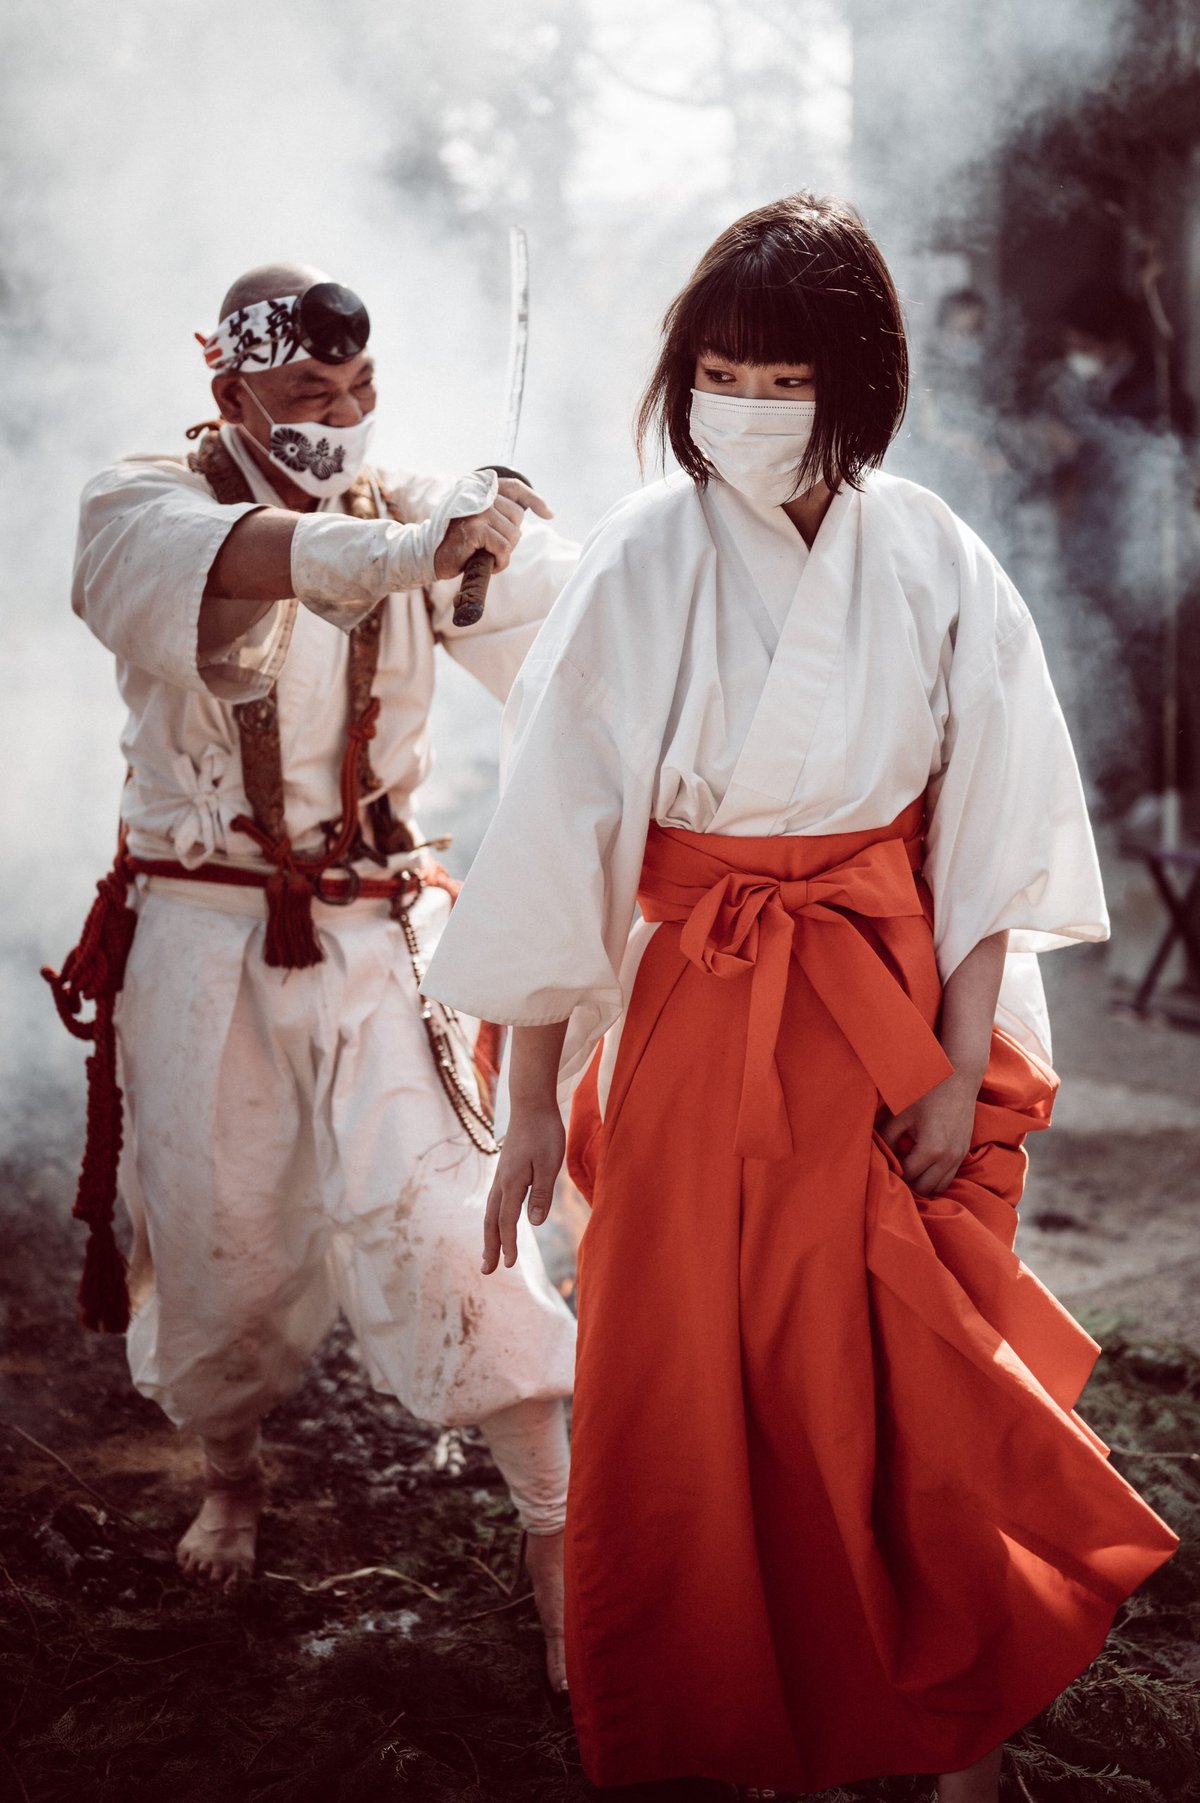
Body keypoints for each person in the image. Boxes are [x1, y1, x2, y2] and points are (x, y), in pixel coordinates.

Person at [421, 197, 1178, 1797]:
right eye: (718, 372)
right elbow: (560, 832)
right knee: (696, 1378)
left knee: (899, 1371)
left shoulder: (935, 557)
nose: (745, 407)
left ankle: (944, 1719)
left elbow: (988, 838)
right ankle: (745, 1719)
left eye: (782, 378)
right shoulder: (636, 557)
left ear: (857, 381)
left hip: (887, 1006)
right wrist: (536, 1110)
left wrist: (963, 1069)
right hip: (699, 1019)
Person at [60, 262, 576, 1686]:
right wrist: (415, 552)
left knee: (461, 1216)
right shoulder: (135, 506)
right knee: (218, 1234)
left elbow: (566, 640)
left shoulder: (412, 508)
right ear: (227, 390)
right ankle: (234, 1471)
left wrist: (526, 549)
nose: (339, 421)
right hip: (199, 932)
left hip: (372, 931)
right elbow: (262, 563)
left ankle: (558, 1535)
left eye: (359, 393)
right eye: (305, 395)